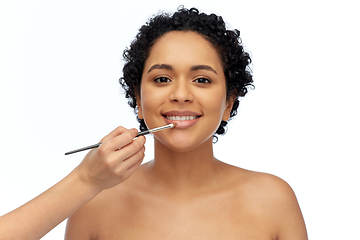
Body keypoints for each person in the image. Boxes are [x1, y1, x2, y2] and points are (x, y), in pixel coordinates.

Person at [0, 7, 308, 240]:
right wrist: (85, 181)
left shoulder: (273, 200)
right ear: (138, 98)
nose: (181, 95)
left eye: (202, 79)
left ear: (228, 103)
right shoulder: (94, 203)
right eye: (162, 79)